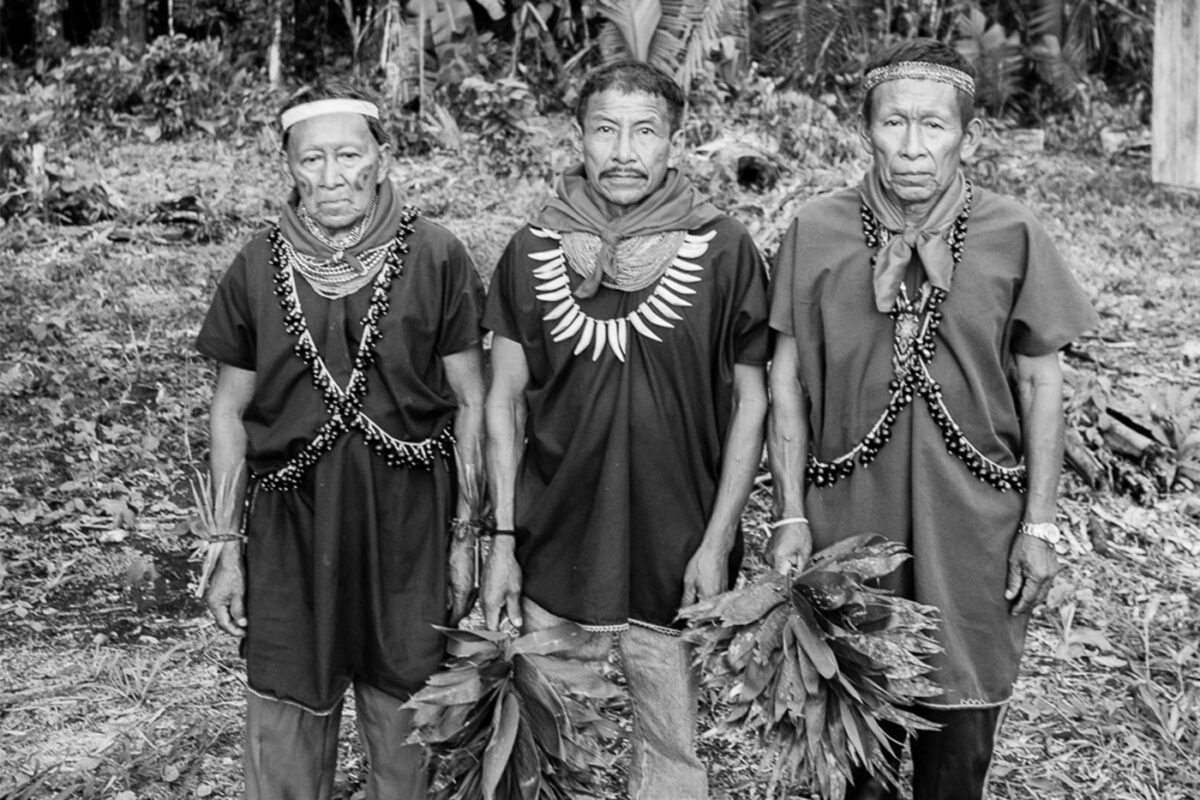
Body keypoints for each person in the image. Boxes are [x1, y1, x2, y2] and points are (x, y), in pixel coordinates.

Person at [766, 39, 1099, 799]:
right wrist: (787, 513)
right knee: (858, 750)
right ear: (866, 130)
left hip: (973, 528)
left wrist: (1040, 525)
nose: (912, 148)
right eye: (893, 123)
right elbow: (784, 378)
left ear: (967, 138)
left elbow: (1041, 379)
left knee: (957, 755)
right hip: (848, 524)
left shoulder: (1011, 232)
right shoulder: (816, 230)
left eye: (933, 126)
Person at [480, 60, 770, 800]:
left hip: (675, 545)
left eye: (645, 132)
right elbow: (504, 403)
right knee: (540, 737)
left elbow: (752, 403)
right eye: (605, 130)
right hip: (554, 538)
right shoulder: (533, 248)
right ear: (578, 137)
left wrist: (716, 539)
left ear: (675, 143)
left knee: (671, 747)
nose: (623, 151)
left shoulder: (724, 249)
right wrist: (503, 542)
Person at [195, 83, 486, 799]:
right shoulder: (256, 265)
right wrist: (225, 544)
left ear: (382, 158)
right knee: (288, 699)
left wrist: (466, 536)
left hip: (409, 522)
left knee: (408, 707)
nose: (330, 177)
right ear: (287, 166)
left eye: (349, 155)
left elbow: (474, 401)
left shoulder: (437, 255)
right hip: (293, 525)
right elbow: (229, 410)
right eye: (312, 159)